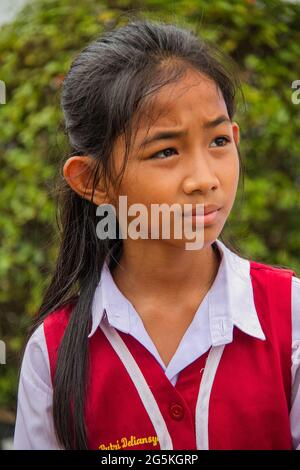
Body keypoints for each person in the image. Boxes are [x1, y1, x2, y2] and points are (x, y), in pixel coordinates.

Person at [13, 19, 300, 450]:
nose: (205, 179)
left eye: (219, 141)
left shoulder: (290, 316)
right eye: (166, 150)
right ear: (92, 180)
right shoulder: (51, 356)